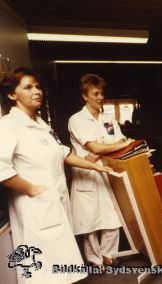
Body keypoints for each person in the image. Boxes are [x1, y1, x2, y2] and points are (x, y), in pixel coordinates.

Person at [0, 67, 112, 283]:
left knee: (62, 269)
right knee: (42, 272)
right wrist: (31, 189)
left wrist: (95, 167)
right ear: (12, 95)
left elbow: (63, 153)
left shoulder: (41, 124)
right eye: (28, 87)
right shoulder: (9, 125)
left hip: (55, 204)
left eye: (38, 86)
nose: (37, 91)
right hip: (36, 208)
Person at [68, 74, 134, 268]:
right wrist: (101, 149)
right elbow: (95, 147)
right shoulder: (77, 119)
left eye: (102, 93)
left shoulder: (108, 119)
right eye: (95, 94)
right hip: (86, 175)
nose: (100, 97)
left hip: (106, 173)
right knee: (88, 222)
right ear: (84, 96)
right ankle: (95, 260)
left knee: (112, 217)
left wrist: (100, 151)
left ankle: (109, 255)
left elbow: (122, 141)